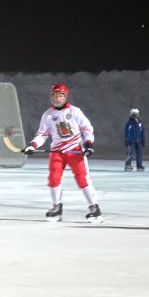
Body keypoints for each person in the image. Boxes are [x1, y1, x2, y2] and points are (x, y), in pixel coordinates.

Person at [22, 84, 102, 222]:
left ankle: (94, 209)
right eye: (55, 95)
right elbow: (42, 134)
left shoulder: (75, 111)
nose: (57, 98)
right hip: (57, 151)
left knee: (82, 179)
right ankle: (56, 207)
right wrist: (32, 145)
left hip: (75, 150)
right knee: (54, 178)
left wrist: (88, 144)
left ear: (65, 96)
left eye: (60, 95)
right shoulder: (48, 115)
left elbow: (87, 128)